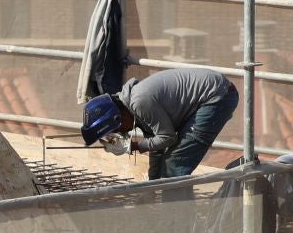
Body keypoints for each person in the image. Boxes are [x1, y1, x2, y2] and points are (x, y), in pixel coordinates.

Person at [82, 67, 239, 180]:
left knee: (174, 165)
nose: (122, 132)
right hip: (212, 93)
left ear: (120, 116)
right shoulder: (132, 106)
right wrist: (151, 187)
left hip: (217, 96)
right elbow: (157, 148)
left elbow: (167, 138)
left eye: (117, 128)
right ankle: (168, 211)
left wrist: (133, 147)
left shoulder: (140, 102)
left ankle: (177, 219)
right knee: (167, 167)